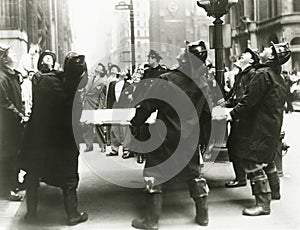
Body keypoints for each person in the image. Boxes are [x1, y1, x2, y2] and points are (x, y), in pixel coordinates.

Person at [130, 40, 211, 229]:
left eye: (183, 53)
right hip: (190, 137)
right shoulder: (203, 84)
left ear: (186, 60)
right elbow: (207, 114)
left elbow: (148, 105)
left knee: (154, 174)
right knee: (194, 174)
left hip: (165, 136)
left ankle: (151, 221)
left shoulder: (167, 80)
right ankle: (203, 216)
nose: (179, 53)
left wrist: (135, 123)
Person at [20, 52, 88, 225]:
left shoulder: (45, 81)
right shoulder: (73, 90)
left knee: (33, 174)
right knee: (69, 178)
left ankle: (32, 214)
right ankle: (73, 215)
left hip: (40, 137)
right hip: (64, 141)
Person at [226, 42, 291, 216]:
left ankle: (263, 204)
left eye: (266, 50)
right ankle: (275, 193)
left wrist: (232, 113)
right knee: (267, 158)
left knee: (253, 161)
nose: (262, 51)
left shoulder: (262, 74)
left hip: (259, 124)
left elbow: (249, 100)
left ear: (271, 57)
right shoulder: (277, 75)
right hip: (272, 123)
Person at [224, 48, 259, 188]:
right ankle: (241, 177)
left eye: (245, 54)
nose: (241, 55)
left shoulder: (252, 74)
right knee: (234, 147)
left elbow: (248, 99)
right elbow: (233, 96)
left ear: (251, 61)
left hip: (245, 119)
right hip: (238, 118)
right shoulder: (241, 74)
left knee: (243, 148)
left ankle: (245, 178)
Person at [0, 44, 27, 201]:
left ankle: (14, 182)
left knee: (14, 153)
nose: (15, 55)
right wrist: (19, 115)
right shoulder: (2, 78)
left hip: (13, 123)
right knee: (6, 156)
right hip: (6, 124)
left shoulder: (12, 75)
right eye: (11, 54)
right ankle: (5, 189)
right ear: (4, 60)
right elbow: (5, 103)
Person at [131, 50, 168, 164]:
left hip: (160, 104)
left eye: (150, 58)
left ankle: (159, 152)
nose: (148, 60)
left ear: (155, 59)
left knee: (159, 128)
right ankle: (141, 153)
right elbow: (142, 87)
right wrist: (137, 100)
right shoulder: (147, 73)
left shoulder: (163, 72)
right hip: (147, 103)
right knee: (142, 128)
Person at [82, 62, 108, 152]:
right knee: (87, 125)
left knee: (98, 125)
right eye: (97, 67)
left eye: (100, 68)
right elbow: (84, 90)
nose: (97, 68)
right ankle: (89, 145)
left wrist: (101, 107)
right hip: (87, 103)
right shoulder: (89, 79)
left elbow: (103, 96)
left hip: (96, 104)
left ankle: (102, 144)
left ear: (102, 71)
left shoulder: (103, 82)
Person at [106, 70, 132, 157]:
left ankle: (126, 149)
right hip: (114, 108)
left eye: (124, 71)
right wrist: (109, 109)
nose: (122, 72)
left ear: (126, 75)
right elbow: (109, 97)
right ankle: (114, 149)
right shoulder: (112, 84)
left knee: (125, 129)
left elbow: (131, 98)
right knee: (114, 129)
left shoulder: (129, 85)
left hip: (124, 108)